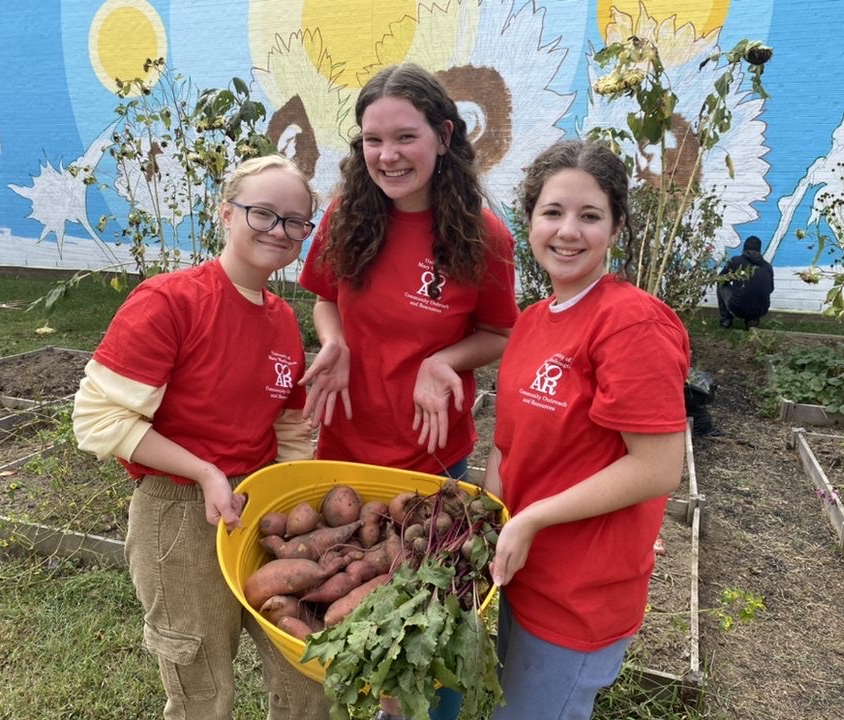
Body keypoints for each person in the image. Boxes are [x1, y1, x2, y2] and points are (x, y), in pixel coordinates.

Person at [71, 155, 331, 720]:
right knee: (203, 687)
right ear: (225, 214)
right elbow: (98, 419)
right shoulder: (170, 301)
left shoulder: (284, 318)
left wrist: (293, 495)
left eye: (294, 221)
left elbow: (287, 423)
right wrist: (205, 471)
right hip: (181, 514)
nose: (278, 231)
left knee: (307, 670)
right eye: (262, 213)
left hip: (261, 509)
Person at [297, 63, 520, 720]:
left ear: (444, 134)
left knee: (424, 625)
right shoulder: (347, 216)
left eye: (404, 138)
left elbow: (499, 332)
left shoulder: (484, 235)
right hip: (344, 445)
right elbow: (325, 301)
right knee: (344, 602)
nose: (386, 157)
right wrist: (332, 341)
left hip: (430, 454)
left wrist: (442, 359)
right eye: (372, 141)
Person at [484, 139, 690, 720]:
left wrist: (532, 518)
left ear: (616, 226)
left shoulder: (630, 323)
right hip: (518, 573)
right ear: (530, 221)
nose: (568, 231)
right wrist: (488, 524)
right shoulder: (530, 322)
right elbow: (509, 446)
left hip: (577, 597)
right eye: (552, 212)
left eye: (589, 215)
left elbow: (656, 467)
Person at [717, 235, 774, 329]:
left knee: (721, 284)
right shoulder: (767, 266)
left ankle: (726, 319)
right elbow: (770, 289)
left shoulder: (736, 261)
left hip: (737, 308)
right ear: (760, 251)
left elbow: (721, 278)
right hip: (761, 310)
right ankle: (752, 320)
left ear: (744, 249)